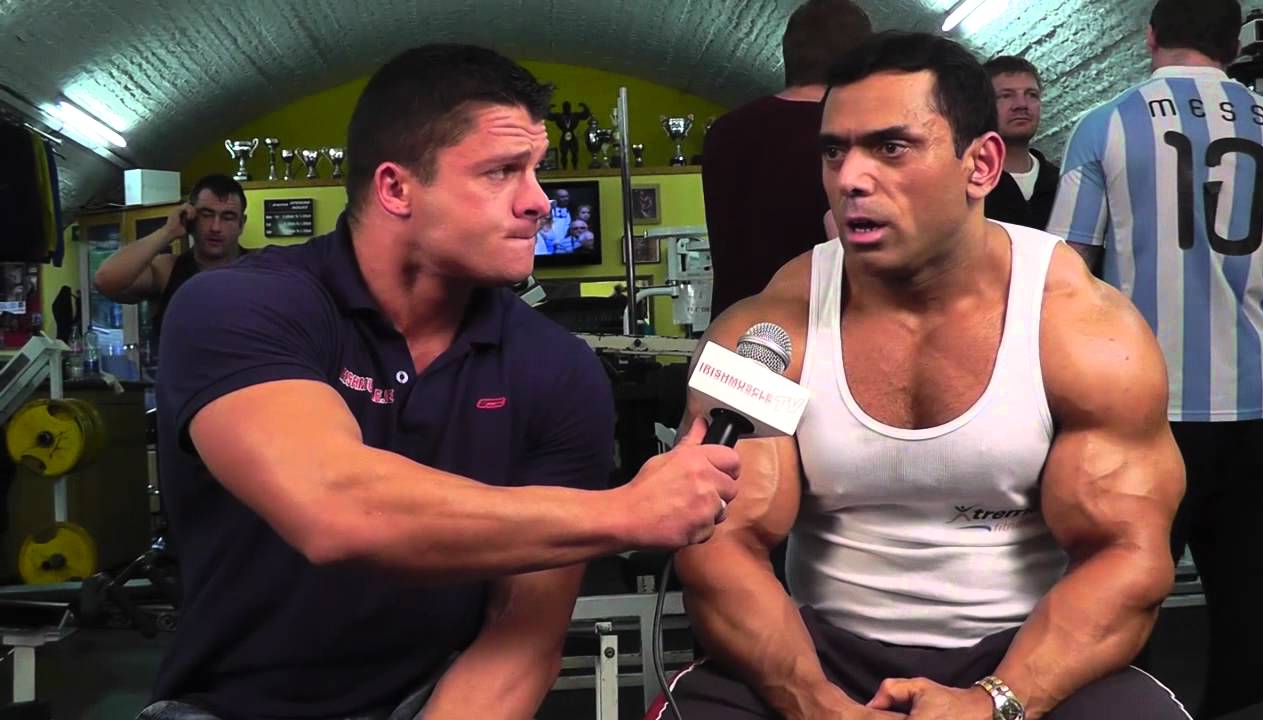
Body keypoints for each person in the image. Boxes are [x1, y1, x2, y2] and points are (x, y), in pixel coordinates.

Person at [141, 44, 740, 720]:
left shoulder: (556, 368)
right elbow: (334, 506)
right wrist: (627, 512)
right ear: (395, 189)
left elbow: (520, 640)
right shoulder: (238, 306)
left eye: (536, 171)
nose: (539, 203)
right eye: (501, 172)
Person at [664, 32, 1189, 720]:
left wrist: (996, 701)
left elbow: (1127, 556)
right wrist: (816, 704)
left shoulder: (1083, 329)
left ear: (982, 165)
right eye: (834, 151)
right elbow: (719, 545)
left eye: (891, 147)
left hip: (1027, 651)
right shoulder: (769, 330)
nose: (850, 179)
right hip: (819, 653)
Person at [1047, 1, 1263, 716]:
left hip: (1142, 409)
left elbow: (1064, 274)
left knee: (1121, 598)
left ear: (1150, 37)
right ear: (1233, 43)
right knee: (1251, 602)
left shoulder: (1105, 124)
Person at [702, 0, 873, 320]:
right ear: (862, 61)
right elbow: (853, 256)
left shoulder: (724, 131)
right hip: (812, 329)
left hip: (733, 328)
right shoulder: (844, 134)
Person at [93, 174, 250, 351]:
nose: (215, 227)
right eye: (206, 215)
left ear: (241, 224)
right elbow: (105, 279)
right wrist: (168, 231)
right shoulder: (167, 270)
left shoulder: (259, 269)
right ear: (190, 217)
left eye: (228, 217)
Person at [982, 56, 1060, 230]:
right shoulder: (967, 184)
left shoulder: (1064, 185)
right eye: (1006, 96)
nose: (1021, 104)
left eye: (1031, 95)